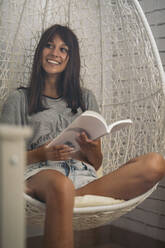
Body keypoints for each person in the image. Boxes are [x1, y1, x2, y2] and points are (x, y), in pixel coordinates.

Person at [1, 24, 165, 248]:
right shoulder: (19, 99)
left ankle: (69, 196)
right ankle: (64, 193)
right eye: (49, 46)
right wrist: (42, 153)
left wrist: (93, 151)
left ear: (70, 58)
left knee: (156, 164)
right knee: (60, 185)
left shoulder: (86, 99)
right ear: (40, 52)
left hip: (84, 177)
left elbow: (96, 163)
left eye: (63, 49)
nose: (54, 53)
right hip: (42, 174)